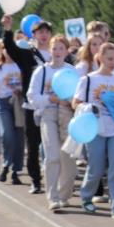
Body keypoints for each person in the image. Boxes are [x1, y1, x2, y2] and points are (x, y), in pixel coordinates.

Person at [73, 43, 114, 220]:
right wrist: (88, 106)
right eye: (109, 59)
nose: (112, 62)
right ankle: (86, 197)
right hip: (95, 128)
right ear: (100, 57)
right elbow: (75, 102)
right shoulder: (88, 80)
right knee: (96, 167)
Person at [3, 15, 53, 195]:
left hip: (53, 106)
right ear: (33, 35)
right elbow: (10, 48)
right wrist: (8, 30)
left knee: (53, 145)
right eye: (40, 32)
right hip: (32, 106)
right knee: (33, 144)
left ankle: (55, 181)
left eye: (47, 32)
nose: (44, 35)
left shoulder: (57, 55)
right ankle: (35, 180)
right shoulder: (27, 54)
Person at [27, 35, 76, 212]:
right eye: (54, 48)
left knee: (68, 158)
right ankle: (52, 197)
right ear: (50, 50)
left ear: (66, 50)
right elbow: (32, 97)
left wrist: (70, 101)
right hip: (48, 114)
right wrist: (52, 98)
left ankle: (63, 195)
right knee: (53, 155)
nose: (57, 52)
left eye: (61, 48)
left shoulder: (72, 71)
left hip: (67, 115)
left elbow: (77, 96)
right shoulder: (42, 71)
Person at [0, 44, 25, 185]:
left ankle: (15, 170)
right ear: (2, 51)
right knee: (7, 134)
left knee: (19, 136)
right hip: (3, 103)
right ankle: (6, 164)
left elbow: (27, 83)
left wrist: (19, 89)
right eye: (6, 49)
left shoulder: (20, 66)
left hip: (18, 103)